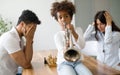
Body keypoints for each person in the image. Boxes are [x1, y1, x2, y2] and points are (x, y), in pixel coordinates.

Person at [50, 0, 93, 75]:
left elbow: (82, 46)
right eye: (60, 17)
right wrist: (66, 46)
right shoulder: (57, 35)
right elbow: (61, 51)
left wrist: (73, 31)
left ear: (71, 17)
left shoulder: (78, 30)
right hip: (64, 63)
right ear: (58, 20)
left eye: (66, 16)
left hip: (77, 62)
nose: (63, 19)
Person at [0, 10, 41, 75]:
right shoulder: (9, 38)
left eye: (34, 29)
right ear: (22, 24)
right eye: (31, 28)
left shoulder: (20, 38)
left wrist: (29, 40)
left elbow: (28, 60)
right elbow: (26, 65)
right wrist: (29, 39)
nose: (33, 31)